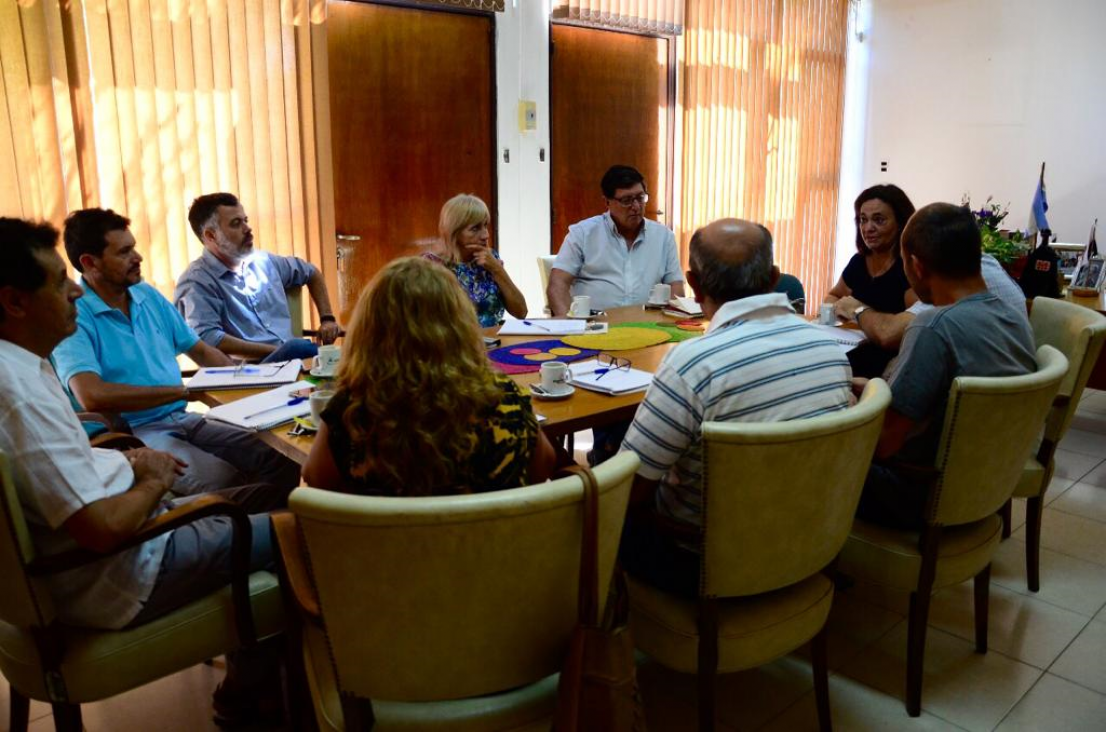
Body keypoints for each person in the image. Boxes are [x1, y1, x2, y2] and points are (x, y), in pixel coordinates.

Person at [0, 217, 288, 726]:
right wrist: (152, 477)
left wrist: (122, 462)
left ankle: (263, 680)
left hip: (132, 525)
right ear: (14, 302)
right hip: (132, 565)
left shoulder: (20, 366)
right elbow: (102, 527)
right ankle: (252, 700)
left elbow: (64, 469)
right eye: (56, 281)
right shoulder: (18, 394)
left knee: (275, 488)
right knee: (306, 528)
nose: (72, 291)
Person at [618, 218, 854, 597]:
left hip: (706, 561)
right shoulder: (831, 350)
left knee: (598, 507)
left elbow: (628, 490)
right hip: (808, 539)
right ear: (775, 277)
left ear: (693, 284)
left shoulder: (693, 364)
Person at [52, 208, 300, 496]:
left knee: (281, 455)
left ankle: (291, 528)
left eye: (134, 248)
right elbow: (91, 395)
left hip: (183, 418)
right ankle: (268, 526)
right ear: (89, 262)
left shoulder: (146, 295)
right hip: (136, 432)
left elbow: (204, 353)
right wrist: (182, 392)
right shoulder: (75, 316)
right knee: (228, 481)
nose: (138, 258)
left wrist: (252, 384)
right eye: (124, 252)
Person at [303, 256, 557, 495]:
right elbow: (543, 468)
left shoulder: (351, 409)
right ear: (461, 324)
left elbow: (315, 481)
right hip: (493, 540)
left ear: (369, 331)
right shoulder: (502, 397)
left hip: (388, 542)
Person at [854, 203, 1037, 529]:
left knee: (810, 457)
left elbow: (884, 444)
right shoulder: (1015, 316)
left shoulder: (933, 327)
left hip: (923, 496)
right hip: (985, 489)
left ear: (916, 266)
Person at [175, 192, 341, 362]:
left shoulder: (264, 261)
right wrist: (278, 351)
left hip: (295, 361)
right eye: (236, 224)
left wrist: (327, 318)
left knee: (350, 363)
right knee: (302, 348)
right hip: (251, 371)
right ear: (211, 236)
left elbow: (311, 272)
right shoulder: (197, 281)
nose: (247, 229)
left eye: (245, 220)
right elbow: (209, 338)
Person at [547, 165, 684, 316]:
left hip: (648, 326)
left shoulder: (663, 236)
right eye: (626, 200)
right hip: (595, 328)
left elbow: (675, 286)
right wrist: (567, 325)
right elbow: (558, 284)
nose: (636, 207)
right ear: (607, 202)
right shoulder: (583, 234)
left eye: (640, 198)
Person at [825, 184, 918, 377]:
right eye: (863, 220)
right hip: (852, 346)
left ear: (900, 223)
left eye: (879, 220)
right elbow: (833, 295)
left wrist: (858, 310)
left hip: (892, 362)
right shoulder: (859, 261)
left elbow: (913, 329)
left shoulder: (909, 267)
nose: (868, 228)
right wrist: (839, 309)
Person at [423, 193, 527, 327]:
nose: (486, 235)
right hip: (455, 344)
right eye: (475, 229)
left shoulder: (489, 258)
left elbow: (521, 312)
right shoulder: (431, 266)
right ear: (454, 232)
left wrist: (497, 269)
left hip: (494, 340)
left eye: (485, 226)